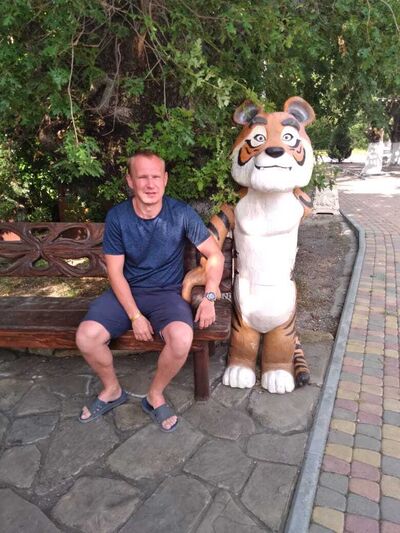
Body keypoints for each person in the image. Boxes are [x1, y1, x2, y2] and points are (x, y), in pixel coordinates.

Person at [76, 150, 224, 431]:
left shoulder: (180, 213)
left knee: (181, 338)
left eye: (156, 176)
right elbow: (115, 273)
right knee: (87, 337)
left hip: (167, 294)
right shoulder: (118, 217)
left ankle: (155, 394)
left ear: (165, 179)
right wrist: (135, 316)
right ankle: (112, 390)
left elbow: (214, 255)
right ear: (130, 181)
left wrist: (210, 297)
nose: (150, 184)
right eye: (142, 177)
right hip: (126, 293)